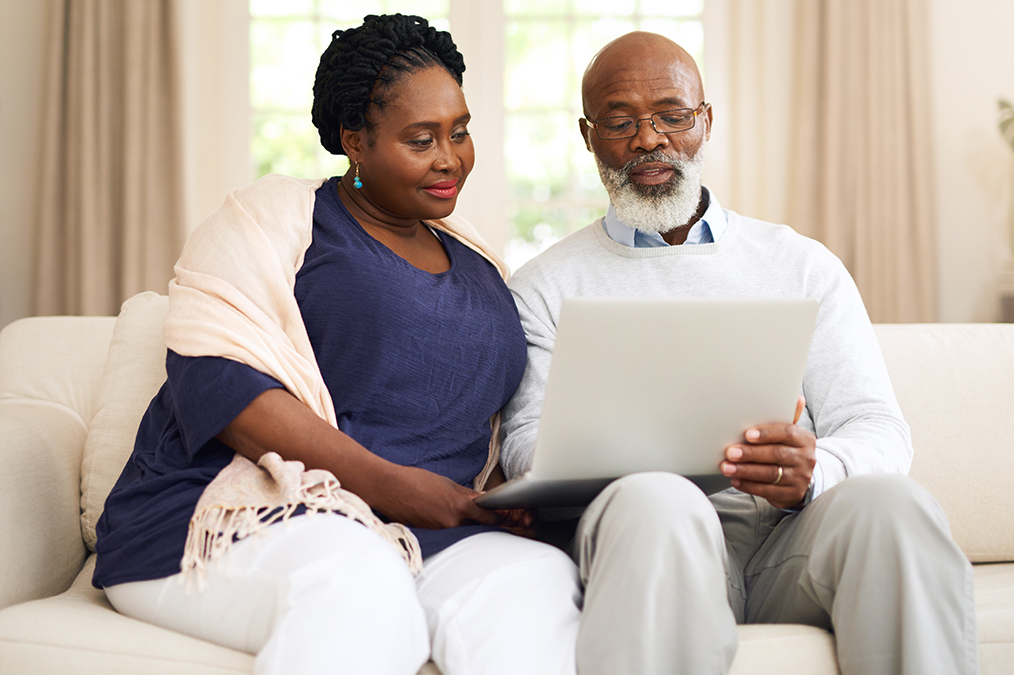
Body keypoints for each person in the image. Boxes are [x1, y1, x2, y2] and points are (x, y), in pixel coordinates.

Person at [92, 14, 581, 675]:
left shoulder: (480, 267)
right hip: (239, 518)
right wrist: (397, 487)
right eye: (420, 138)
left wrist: (504, 495)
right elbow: (220, 383)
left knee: (534, 578)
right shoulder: (277, 220)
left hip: (427, 533)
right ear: (356, 140)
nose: (449, 157)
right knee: (359, 582)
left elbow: (475, 429)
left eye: (459, 132)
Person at [499, 31, 977, 675]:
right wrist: (634, 456)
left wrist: (813, 473)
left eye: (671, 115)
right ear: (588, 137)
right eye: (620, 121)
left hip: (790, 542)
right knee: (657, 500)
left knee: (896, 505)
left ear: (706, 122)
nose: (648, 139)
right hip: (650, 536)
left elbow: (878, 427)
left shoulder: (801, 264)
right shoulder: (543, 285)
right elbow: (523, 443)